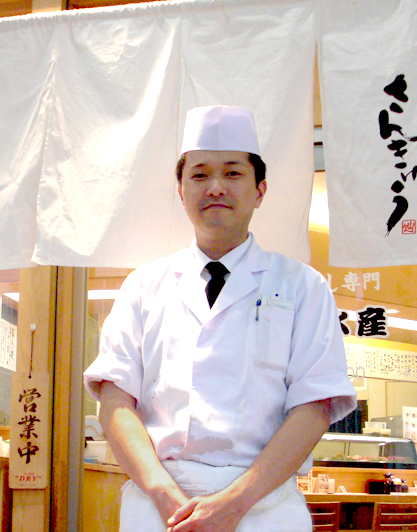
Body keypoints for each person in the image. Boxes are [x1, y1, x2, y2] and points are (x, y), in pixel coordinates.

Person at [83, 106, 357, 532]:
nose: (215, 187)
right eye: (199, 175)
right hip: (159, 509)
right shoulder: (143, 285)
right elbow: (116, 401)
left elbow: (314, 406)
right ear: (180, 189)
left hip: (263, 509)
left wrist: (236, 500)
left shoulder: (304, 286)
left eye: (232, 173)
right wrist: (163, 493)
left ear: (260, 189)